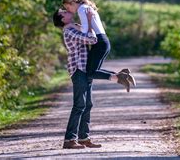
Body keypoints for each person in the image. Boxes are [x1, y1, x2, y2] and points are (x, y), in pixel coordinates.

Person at [52, 8, 132, 149]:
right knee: (79, 105)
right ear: (62, 19)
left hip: (84, 68)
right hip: (78, 69)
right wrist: (88, 21)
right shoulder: (69, 31)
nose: (66, 10)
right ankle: (69, 140)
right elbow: (92, 39)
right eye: (63, 11)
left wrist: (84, 23)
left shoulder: (74, 27)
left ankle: (84, 138)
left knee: (88, 104)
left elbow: (87, 33)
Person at [62, 0, 136, 91]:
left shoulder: (81, 9)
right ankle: (122, 75)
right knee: (93, 71)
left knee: (91, 73)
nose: (68, 10)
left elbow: (85, 31)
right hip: (103, 41)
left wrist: (72, 26)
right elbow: (88, 29)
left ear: (72, 2)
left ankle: (120, 77)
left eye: (67, 7)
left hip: (99, 43)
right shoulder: (86, 7)